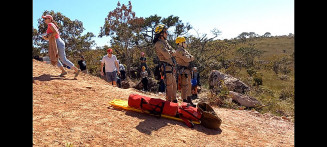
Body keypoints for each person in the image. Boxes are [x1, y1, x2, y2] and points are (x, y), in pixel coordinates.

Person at [153, 24, 177, 102]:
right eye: (165, 32)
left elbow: (174, 52)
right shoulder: (159, 44)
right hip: (166, 67)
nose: (167, 33)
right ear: (161, 34)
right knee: (169, 86)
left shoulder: (165, 42)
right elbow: (167, 55)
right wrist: (171, 53)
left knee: (174, 85)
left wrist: (171, 52)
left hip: (171, 67)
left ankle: (174, 101)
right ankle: (168, 103)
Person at [174, 36, 195, 106]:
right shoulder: (179, 51)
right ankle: (186, 100)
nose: (186, 43)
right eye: (184, 42)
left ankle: (187, 100)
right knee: (185, 85)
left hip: (187, 70)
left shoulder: (183, 50)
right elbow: (187, 59)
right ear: (180, 43)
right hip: (184, 70)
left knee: (188, 85)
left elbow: (190, 57)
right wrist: (191, 58)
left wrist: (190, 57)